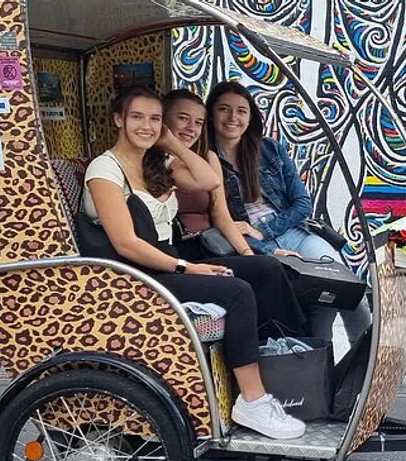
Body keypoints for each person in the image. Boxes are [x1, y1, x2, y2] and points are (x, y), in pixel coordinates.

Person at [80, 85, 305, 439]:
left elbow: (208, 180)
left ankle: (292, 362)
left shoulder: (153, 163)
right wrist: (188, 268)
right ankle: (252, 400)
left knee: (265, 269)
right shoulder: (105, 170)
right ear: (118, 120)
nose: (147, 126)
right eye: (137, 117)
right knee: (236, 292)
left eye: (155, 119)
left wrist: (170, 143)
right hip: (136, 276)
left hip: (165, 264)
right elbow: (126, 243)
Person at [205, 80, 372, 345]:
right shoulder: (206, 160)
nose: (232, 117)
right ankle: (321, 369)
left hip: (295, 233)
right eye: (223, 109)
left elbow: (302, 203)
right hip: (249, 245)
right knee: (319, 303)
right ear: (211, 114)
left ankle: (363, 367)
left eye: (241, 110)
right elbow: (220, 222)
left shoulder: (270, 149)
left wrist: (264, 230)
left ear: (250, 117)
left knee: (347, 290)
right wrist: (265, 247)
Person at [160, 89, 295, 260]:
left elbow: (221, 214)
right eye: (183, 119)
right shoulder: (152, 161)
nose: (191, 128)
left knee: (268, 267)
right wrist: (173, 144)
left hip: (212, 243)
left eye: (198, 122)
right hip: (179, 248)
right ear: (163, 119)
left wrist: (249, 254)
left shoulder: (207, 157)